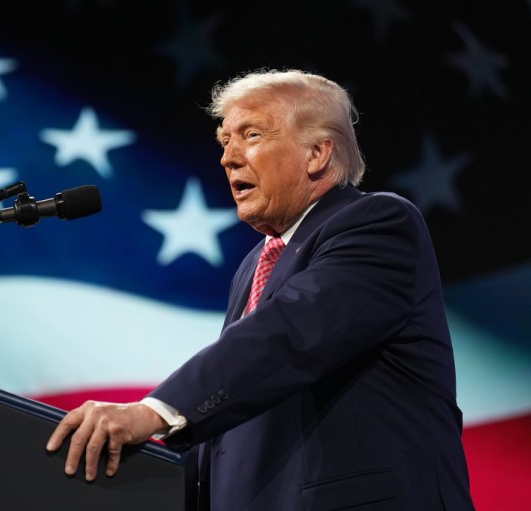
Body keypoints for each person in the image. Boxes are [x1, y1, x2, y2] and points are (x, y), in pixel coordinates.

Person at [46, 69, 475, 510]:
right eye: (224, 140)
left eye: (250, 134)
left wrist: (156, 411)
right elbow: (237, 411)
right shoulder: (257, 264)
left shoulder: (379, 224)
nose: (227, 158)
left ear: (317, 153)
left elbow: (291, 333)